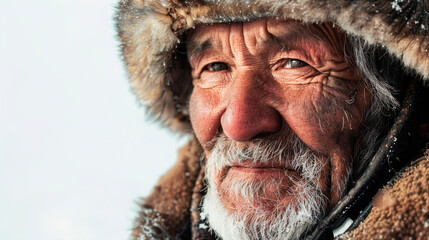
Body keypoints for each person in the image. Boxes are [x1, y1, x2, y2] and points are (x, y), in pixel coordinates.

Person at [115, 0, 429, 239]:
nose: (238, 125)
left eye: (294, 63)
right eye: (214, 67)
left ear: (395, 87)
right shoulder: (174, 220)